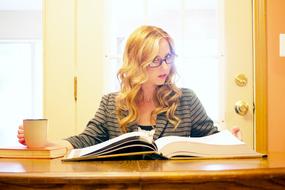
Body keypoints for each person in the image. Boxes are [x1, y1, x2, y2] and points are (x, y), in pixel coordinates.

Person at [17, 25, 240, 150]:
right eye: (155, 60)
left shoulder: (186, 99)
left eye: (168, 57)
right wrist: (45, 143)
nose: (165, 66)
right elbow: (85, 140)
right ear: (137, 62)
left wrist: (229, 140)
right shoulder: (111, 103)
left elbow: (211, 139)